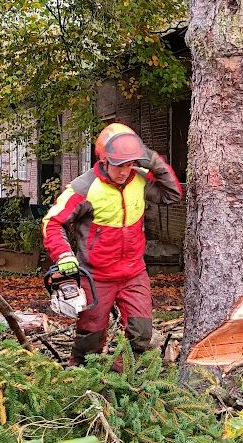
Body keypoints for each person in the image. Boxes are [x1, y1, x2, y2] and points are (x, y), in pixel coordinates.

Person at [41, 123, 183, 365]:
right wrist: (64, 255)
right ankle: (82, 380)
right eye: (119, 165)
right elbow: (52, 222)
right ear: (104, 160)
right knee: (90, 339)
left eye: (130, 164)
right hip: (96, 276)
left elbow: (172, 194)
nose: (124, 171)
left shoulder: (138, 180)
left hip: (133, 273)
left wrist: (152, 160)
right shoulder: (84, 188)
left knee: (141, 334)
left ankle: (119, 379)